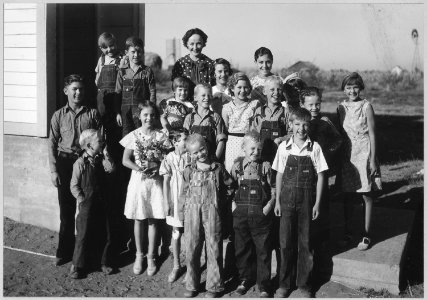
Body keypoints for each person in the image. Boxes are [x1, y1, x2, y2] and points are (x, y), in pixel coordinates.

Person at [273, 107, 328, 298]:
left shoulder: (315, 148)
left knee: (306, 242)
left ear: (309, 126)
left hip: (307, 201)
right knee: (285, 242)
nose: (301, 129)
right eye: (297, 124)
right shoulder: (284, 147)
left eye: (305, 124)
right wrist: (278, 201)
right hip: (286, 200)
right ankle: (284, 284)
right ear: (291, 125)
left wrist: (317, 203)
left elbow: (321, 177)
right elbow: (279, 174)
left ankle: (305, 285)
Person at [48, 74, 102, 267]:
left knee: (87, 210)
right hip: (65, 163)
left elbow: (100, 139)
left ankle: (88, 253)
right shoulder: (58, 115)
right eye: (74, 89)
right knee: (67, 211)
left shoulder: (92, 114)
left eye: (81, 89)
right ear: (66, 91)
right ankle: (64, 252)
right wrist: (54, 170)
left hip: (86, 163)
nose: (78, 92)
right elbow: (52, 143)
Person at [119, 101, 172, 276]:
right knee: (139, 219)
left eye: (152, 115)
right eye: (145, 115)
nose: (149, 118)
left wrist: (158, 169)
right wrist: (139, 168)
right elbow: (125, 160)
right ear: (139, 116)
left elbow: (167, 158)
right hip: (139, 181)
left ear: (156, 117)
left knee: (153, 219)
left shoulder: (161, 136)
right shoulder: (134, 135)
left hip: (155, 182)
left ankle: (151, 256)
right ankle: (139, 255)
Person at [178, 133, 234, 298]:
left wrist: (220, 203)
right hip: (192, 214)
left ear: (207, 147)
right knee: (192, 248)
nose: (200, 154)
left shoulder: (217, 168)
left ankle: (214, 286)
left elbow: (230, 187)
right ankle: (192, 284)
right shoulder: (189, 170)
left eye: (201, 149)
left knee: (214, 247)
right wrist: (182, 213)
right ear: (190, 154)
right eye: (195, 153)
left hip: (212, 214)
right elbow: (183, 193)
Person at [337, 72, 381, 251]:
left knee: (366, 194)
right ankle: (348, 232)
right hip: (347, 156)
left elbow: (372, 133)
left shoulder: (366, 106)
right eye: (348, 87)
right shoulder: (341, 107)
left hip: (364, 153)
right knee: (348, 195)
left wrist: (372, 160)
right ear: (344, 89)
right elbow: (339, 134)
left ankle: (366, 234)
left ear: (360, 87)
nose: (352, 90)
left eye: (355, 87)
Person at [230, 131, 275, 298]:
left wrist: (268, 207)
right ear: (243, 148)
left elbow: (273, 189)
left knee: (263, 250)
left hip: (260, 215)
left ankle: (264, 284)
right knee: (242, 248)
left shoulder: (266, 167)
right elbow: (230, 187)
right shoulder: (237, 166)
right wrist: (233, 205)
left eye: (259, 149)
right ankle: (244, 279)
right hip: (240, 214)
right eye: (252, 148)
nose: (256, 152)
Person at [69, 129, 116, 279]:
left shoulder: (101, 160)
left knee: (104, 232)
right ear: (89, 145)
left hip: (101, 201)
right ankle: (77, 265)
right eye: (99, 141)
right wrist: (82, 199)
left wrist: (107, 155)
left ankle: (103, 262)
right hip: (86, 204)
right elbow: (73, 185)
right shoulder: (80, 163)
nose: (102, 142)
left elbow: (112, 170)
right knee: (83, 234)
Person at [159, 130, 191, 283]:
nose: (187, 141)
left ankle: (192, 268)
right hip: (175, 199)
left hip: (190, 199)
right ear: (175, 142)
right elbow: (165, 182)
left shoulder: (191, 156)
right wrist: (166, 202)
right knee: (176, 232)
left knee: (191, 233)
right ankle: (177, 265)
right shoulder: (169, 158)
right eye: (185, 139)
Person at [115, 36, 156, 137]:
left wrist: (151, 111)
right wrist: (117, 113)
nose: (136, 55)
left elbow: (152, 92)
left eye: (139, 52)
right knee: (127, 137)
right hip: (125, 113)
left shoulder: (147, 71)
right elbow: (117, 93)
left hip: (142, 112)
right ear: (126, 52)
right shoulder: (122, 71)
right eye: (133, 52)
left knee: (142, 136)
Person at [222, 72, 260, 172]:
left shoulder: (254, 105)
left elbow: (256, 127)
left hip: (248, 143)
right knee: (232, 171)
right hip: (231, 144)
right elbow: (224, 130)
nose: (242, 90)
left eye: (245, 87)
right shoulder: (226, 108)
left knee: (247, 172)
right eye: (239, 87)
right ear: (232, 88)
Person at [95, 32, 123, 162]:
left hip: (116, 96)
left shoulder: (122, 59)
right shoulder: (101, 60)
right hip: (103, 97)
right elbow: (97, 78)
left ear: (116, 44)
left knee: (115, 128)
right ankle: (105, 156)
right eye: (105, 47)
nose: (109, 50)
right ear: (101, 49)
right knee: (102, 124)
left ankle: (116, 155)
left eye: (111, 46)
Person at [251, 75, 290, 163]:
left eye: (279, 89)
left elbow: (292, 134)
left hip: (281, 157)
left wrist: (281, 139)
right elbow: (253, 134)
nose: (276, 93)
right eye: (272, 90)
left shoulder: (286, 112)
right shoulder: (259, 111)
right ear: (265, 91)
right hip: (262, 156)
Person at [183, 83, 227, 161]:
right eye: (203, 95)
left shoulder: (215, 117)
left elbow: (220, 141)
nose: (207, 98)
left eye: (209, 95)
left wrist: (215, 160)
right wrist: (189, 162)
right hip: (194, 161)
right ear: (195, 97)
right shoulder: (190, 118)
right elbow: (185, 142)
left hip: (211, 160)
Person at [171, 28, 215, 100]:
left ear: (203, 44)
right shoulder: (180, 64)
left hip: (205, 105)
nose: (195, 47)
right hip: (184, 106)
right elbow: (175, 88)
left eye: (198, 44)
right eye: (192, 44)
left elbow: (214, 88)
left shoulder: (210, 64)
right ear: (187, 44)